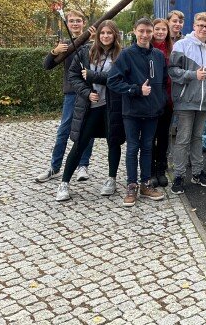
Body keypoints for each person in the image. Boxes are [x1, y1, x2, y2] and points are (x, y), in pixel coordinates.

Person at [55, 20, 125, 201]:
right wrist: (86, 93)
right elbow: (73, 76)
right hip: (90, 106)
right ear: (98, 35)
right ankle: (64, 183)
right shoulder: (86, 52)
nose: (106, 36)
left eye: (110, 33)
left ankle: (111, 179)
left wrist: (94, 76)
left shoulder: (121, 55)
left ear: (115, 35)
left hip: (110, 107)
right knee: (79, 143)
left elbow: (119, 78)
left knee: (113, 142)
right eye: (103, 33)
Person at [107, 18, 167, 207]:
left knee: (148, 147)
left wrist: (160, 101)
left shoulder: (157, 55)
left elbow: (163, 81)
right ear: (134, 31)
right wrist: (135, 90)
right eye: (141, 31)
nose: (145, 35)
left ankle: (145, 184)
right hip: (132, 111)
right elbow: (113, 81)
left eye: (148, 31)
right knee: (133, 148)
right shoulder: (126, 54)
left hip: (152, 111)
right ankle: (131, 185)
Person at [36, 10, 96, 183]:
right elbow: (47, 65)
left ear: (83, 23)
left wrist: (93, 41)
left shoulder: (92, 42)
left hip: (90, 92)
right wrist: (54, 52)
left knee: (87, 130)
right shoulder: (65, 45)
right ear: (67, 24)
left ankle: (83, 166)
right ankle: (55, 167)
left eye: (78, 20)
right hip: (72, 93)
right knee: (64, 130)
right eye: (72, 21)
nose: (75, 24)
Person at [168, 12, 206, 194]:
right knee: (182, 139)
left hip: (204, 102)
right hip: (185, 100)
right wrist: (192, 75)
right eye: (200, 25)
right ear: (194, 25)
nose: (203, 29)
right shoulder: (181, 45)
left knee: (198, 138)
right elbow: (172, 71)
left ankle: (197, 172)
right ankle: (179, 176)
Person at [150, 18, 173, 187]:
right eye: (157, 29)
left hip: (168, 100)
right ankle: (149, 170)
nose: (160, 32)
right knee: (150, 137)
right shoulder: (148, 49)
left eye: (163, 29)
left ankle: (161, 169)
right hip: (150, 100)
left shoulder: (171, 49)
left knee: (163, 136)